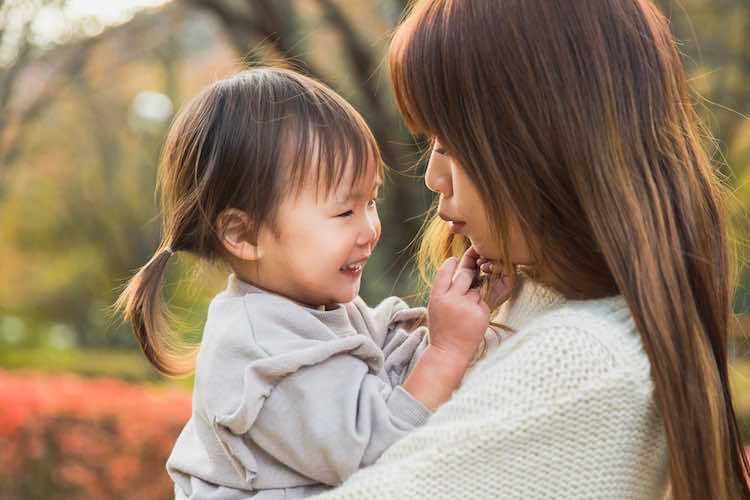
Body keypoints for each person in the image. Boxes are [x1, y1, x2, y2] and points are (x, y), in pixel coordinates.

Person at [313, 0, 750, 498]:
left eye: (451, 144)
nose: (434, 177)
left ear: (542, 143)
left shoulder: (580, 364)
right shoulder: (527, 301)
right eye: (432, 143)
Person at [115, 67, 509, 499]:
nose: (370, 229)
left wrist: (468, 309)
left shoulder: (314, 308)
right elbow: (379, 453)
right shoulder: (263, 354)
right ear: (243, 235)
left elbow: (392, 370)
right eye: (344, 212)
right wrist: (448, 350)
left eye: (371, 201)